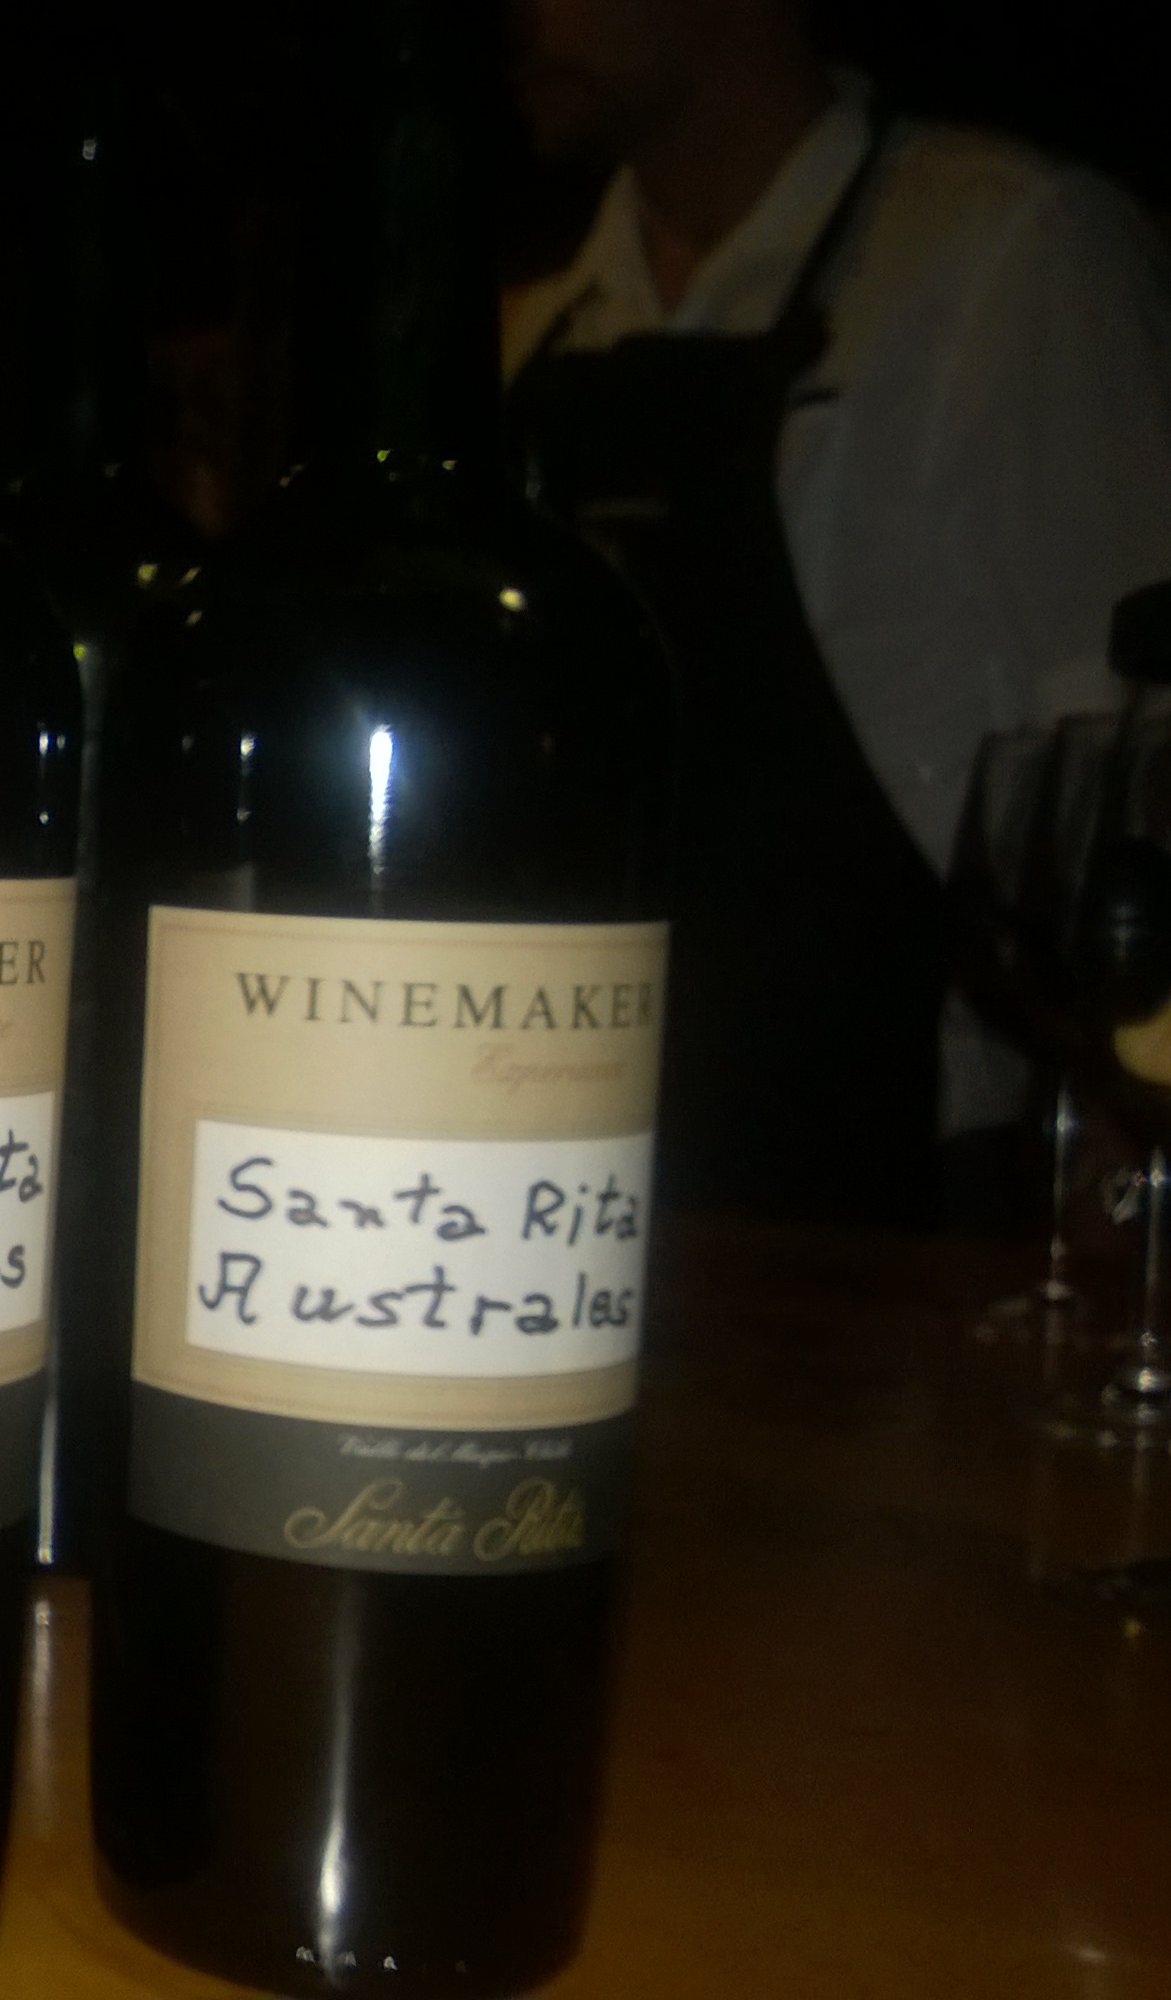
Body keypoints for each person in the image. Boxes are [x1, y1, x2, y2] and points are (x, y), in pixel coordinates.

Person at [501, 0, 1171, 1219]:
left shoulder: (1013, 254)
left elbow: (1133, 748)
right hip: (576, 1159)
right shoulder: (535, 333)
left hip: (940, 1195)